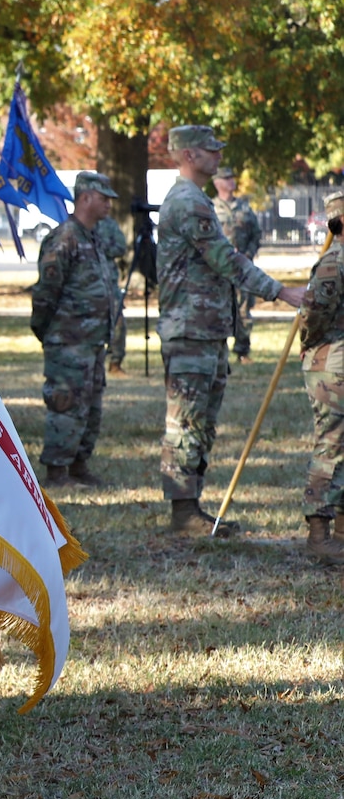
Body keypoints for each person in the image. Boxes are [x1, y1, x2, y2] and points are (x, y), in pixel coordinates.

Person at [156, 125, 305, 536]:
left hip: (204, 329)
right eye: (210, 150)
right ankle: (183, 513)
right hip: (190, 330)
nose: (219, 157)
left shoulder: (194, 199)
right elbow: (226, 259)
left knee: (201, 421)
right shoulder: (189, 202)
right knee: (186, 422)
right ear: (188, 155)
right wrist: (280, 291)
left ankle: (192, 508)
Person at [30, 172, 120, 486]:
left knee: (90, 405)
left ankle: (79, 464)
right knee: (66, 403)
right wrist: (48, 331)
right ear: (85, 198)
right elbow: (46, 290)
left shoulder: (94, 237)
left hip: (92, 341)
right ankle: (57, 469)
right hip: (68, 340)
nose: (109, 204)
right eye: (103, 198)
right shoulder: (65, 236)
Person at [298, 192, 344, 565]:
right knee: (331, 445)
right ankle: (318, 532)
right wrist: (315, 347)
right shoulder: (333, 262)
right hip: (332, 365)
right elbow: (312, 315)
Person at [212, 166, 262, 362]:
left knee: (243, 308)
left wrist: (248, 253)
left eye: (232, 177)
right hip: (219, 268)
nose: (231, 181)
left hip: (242, 267)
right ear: (217, 183)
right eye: (226, 178)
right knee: (219, 308)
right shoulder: (210, 207)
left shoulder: (244, 207)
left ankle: (242, 350)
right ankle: (219, 349)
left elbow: (256, 234)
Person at [96, 214, 130, 376]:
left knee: (118, 322)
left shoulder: (109, 223)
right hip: (88, 285)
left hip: (109, 282)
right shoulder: (75, 226)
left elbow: (121, 247)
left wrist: (100, 246)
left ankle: (115, 362)